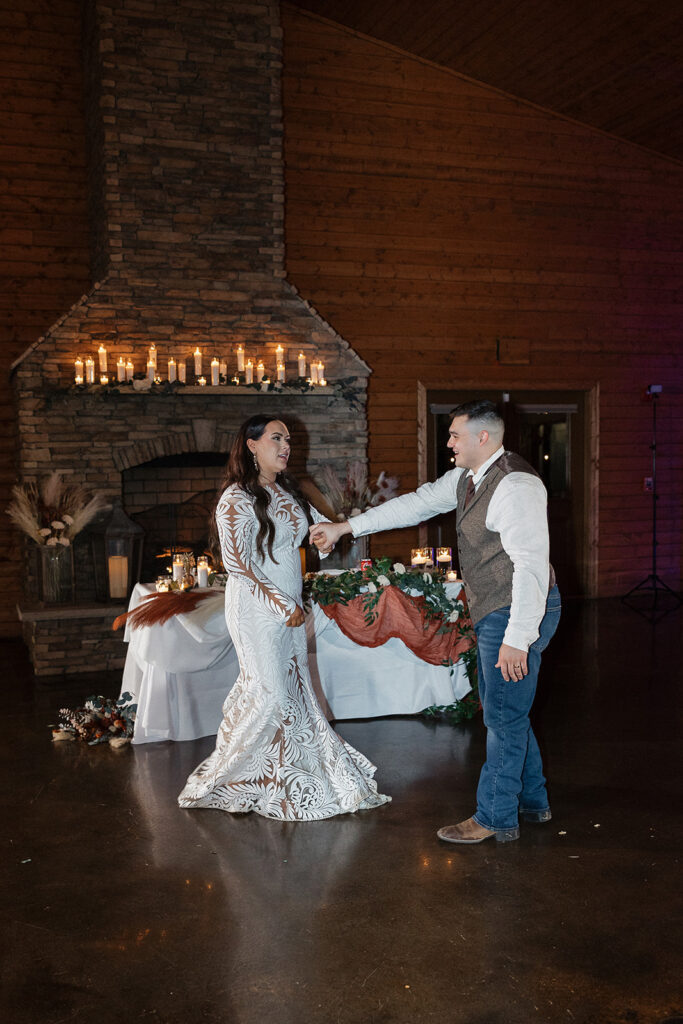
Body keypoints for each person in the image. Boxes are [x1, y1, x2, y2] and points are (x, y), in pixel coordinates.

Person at [309, 399, 561, 843]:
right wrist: (345, 527)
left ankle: (495, 818)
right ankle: (533, 801)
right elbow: (415, 504)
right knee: (507, 708)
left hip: (518, 610)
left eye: (455, 435)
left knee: (502, 716)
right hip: (496, 608)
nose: (448, 443)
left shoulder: (515, 485)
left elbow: (532, 568)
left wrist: (518, 638)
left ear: (483, 437)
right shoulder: (466, 479)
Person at [178, 414, 390, 820]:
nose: (286, 445)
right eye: (277, 438)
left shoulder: (288, 493)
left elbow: (319, 534)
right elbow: (237, 563)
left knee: (295, 695)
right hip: (257, 610)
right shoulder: (235, 498)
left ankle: (285, 777)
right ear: (252, 445)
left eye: (288, 439)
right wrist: (281, 605)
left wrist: (325, 535)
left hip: (290, 606)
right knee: (269, 693)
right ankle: (231, 778)